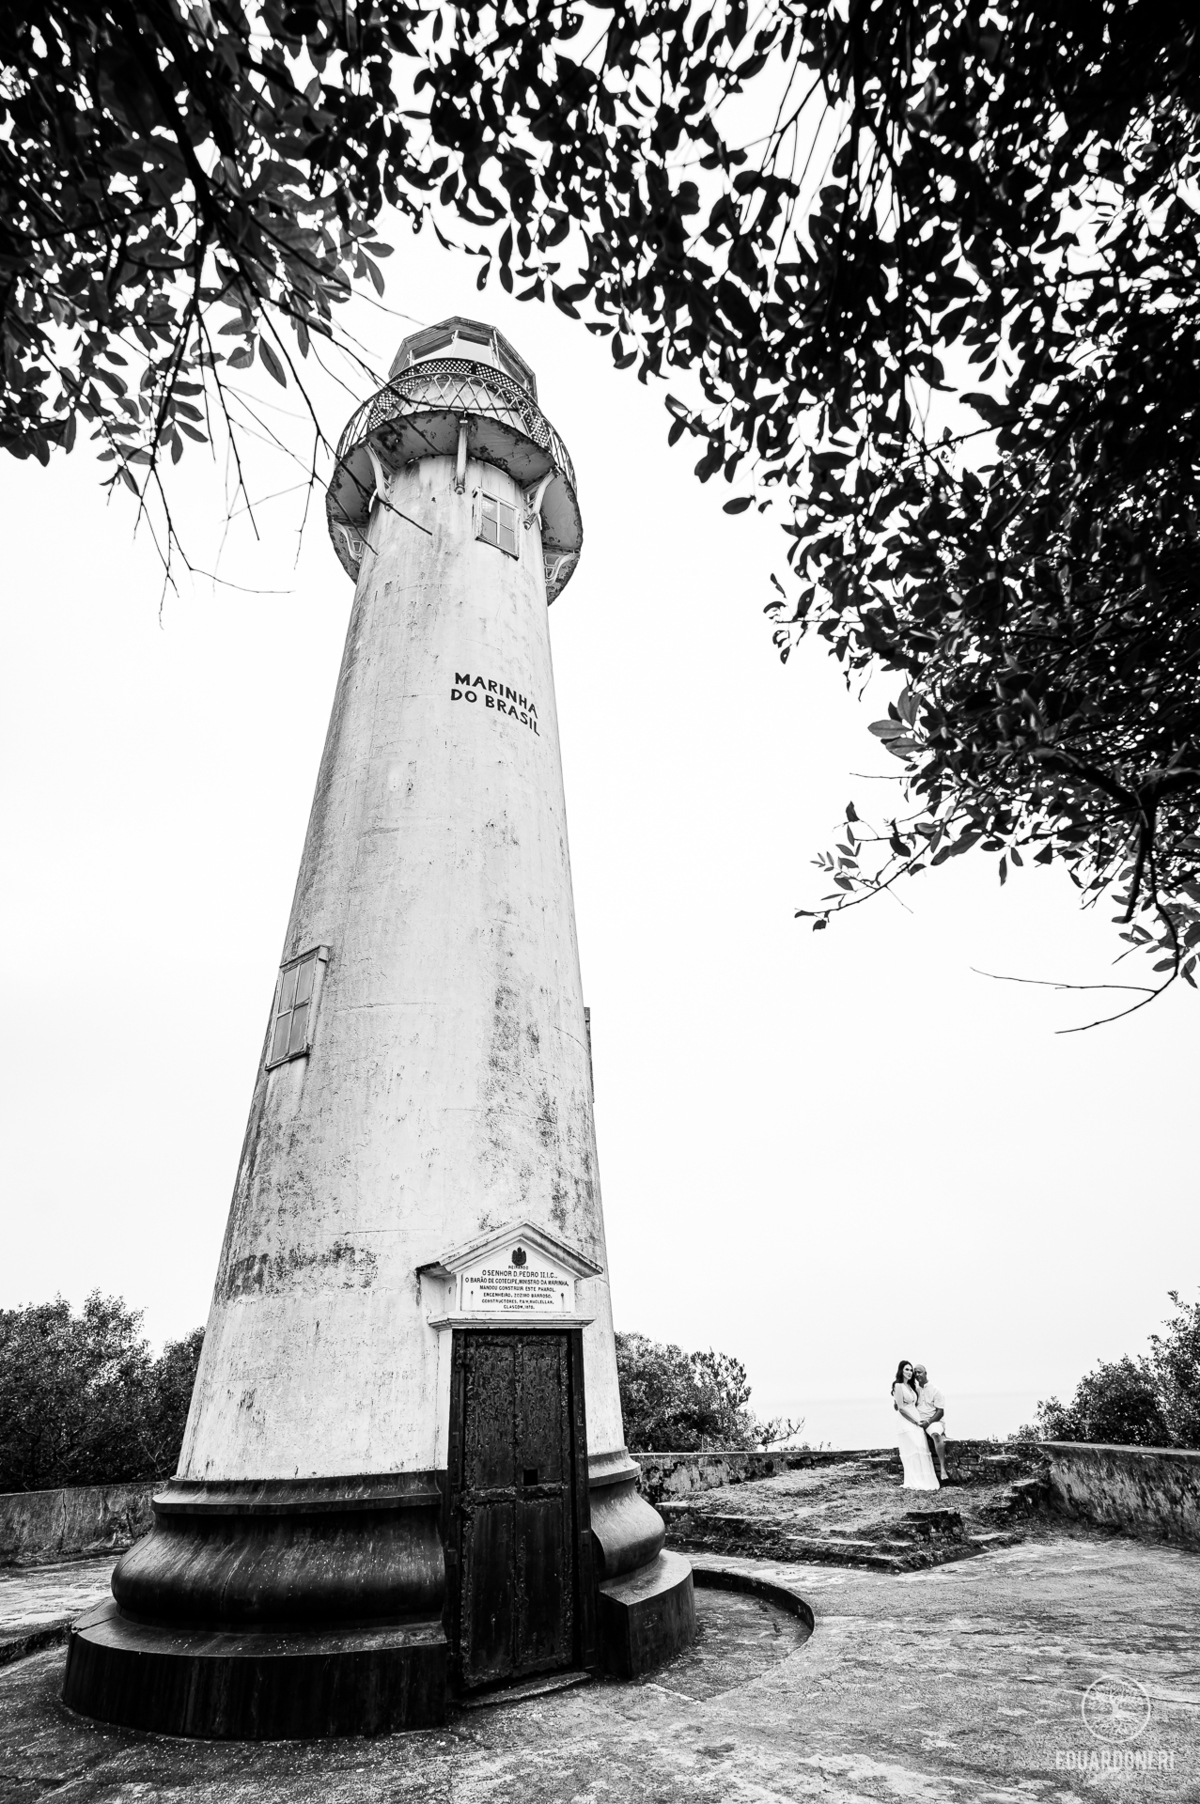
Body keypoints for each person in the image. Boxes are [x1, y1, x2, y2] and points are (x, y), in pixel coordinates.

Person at [892, 1359, 939, 1491]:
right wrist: (914, 1421)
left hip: (916, 1418)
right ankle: (914, 1480)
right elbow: (901, 1408)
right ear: (901, 1370)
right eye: (906, 1369)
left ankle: (924, 1479)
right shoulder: (898, 1385)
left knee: (921, 1448)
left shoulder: (911, 1387)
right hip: (906, 1420)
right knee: (913, 1448)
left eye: (911, 1370)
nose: (909, 1372)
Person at [914, 1365, 950, 1483]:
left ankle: (943, 1469)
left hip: (933, 1421)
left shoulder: (935, 1390)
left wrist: (928, 1422)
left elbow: (940, 1412)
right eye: (915, 1373)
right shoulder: (914, 1390)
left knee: (935, 1434)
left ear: (925, 1373)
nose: (917, 1374)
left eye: (919, 1372)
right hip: (918, 1422)